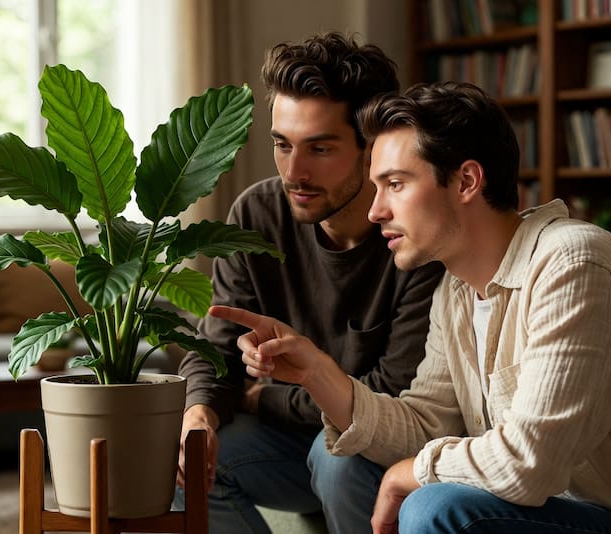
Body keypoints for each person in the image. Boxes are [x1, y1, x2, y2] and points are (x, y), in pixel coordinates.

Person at [210, 81, 611, 534]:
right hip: (540, 512)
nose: (375, 210)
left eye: (395, 184)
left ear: (466, 181)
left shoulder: (574, 264)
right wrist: (316, 372)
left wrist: (413, 472)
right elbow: (425, 426)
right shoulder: (457, 291)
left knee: (434, 507)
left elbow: (528, 464)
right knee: (360, 466)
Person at [174, 32, 445, 534]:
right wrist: (199, 416)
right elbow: (216, 349)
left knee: (337, 458)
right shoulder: (256, 215)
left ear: (372, 147)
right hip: (290, 442)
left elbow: (392, 397)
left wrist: (262, 397)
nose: (294, 172)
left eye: (319, 148)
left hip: (381, 446)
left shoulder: (415, 235)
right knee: (183, 461)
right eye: (282, 145)